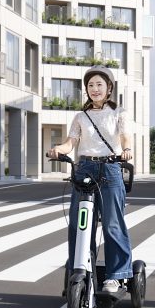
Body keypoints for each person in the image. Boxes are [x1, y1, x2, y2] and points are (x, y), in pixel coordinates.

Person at [47, 66, 134, 295]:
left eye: (99, 85)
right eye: (90, 85)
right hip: (84, 168)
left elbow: (125, 136)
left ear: (109, 88)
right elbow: (70, 143)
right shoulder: (80, 117)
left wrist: (126, 149)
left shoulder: (119, 113)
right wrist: (58, 149)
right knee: (79, 224)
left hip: (111, 167)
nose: (94, 89)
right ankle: (81, 270)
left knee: (112, 224)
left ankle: (116, 277)